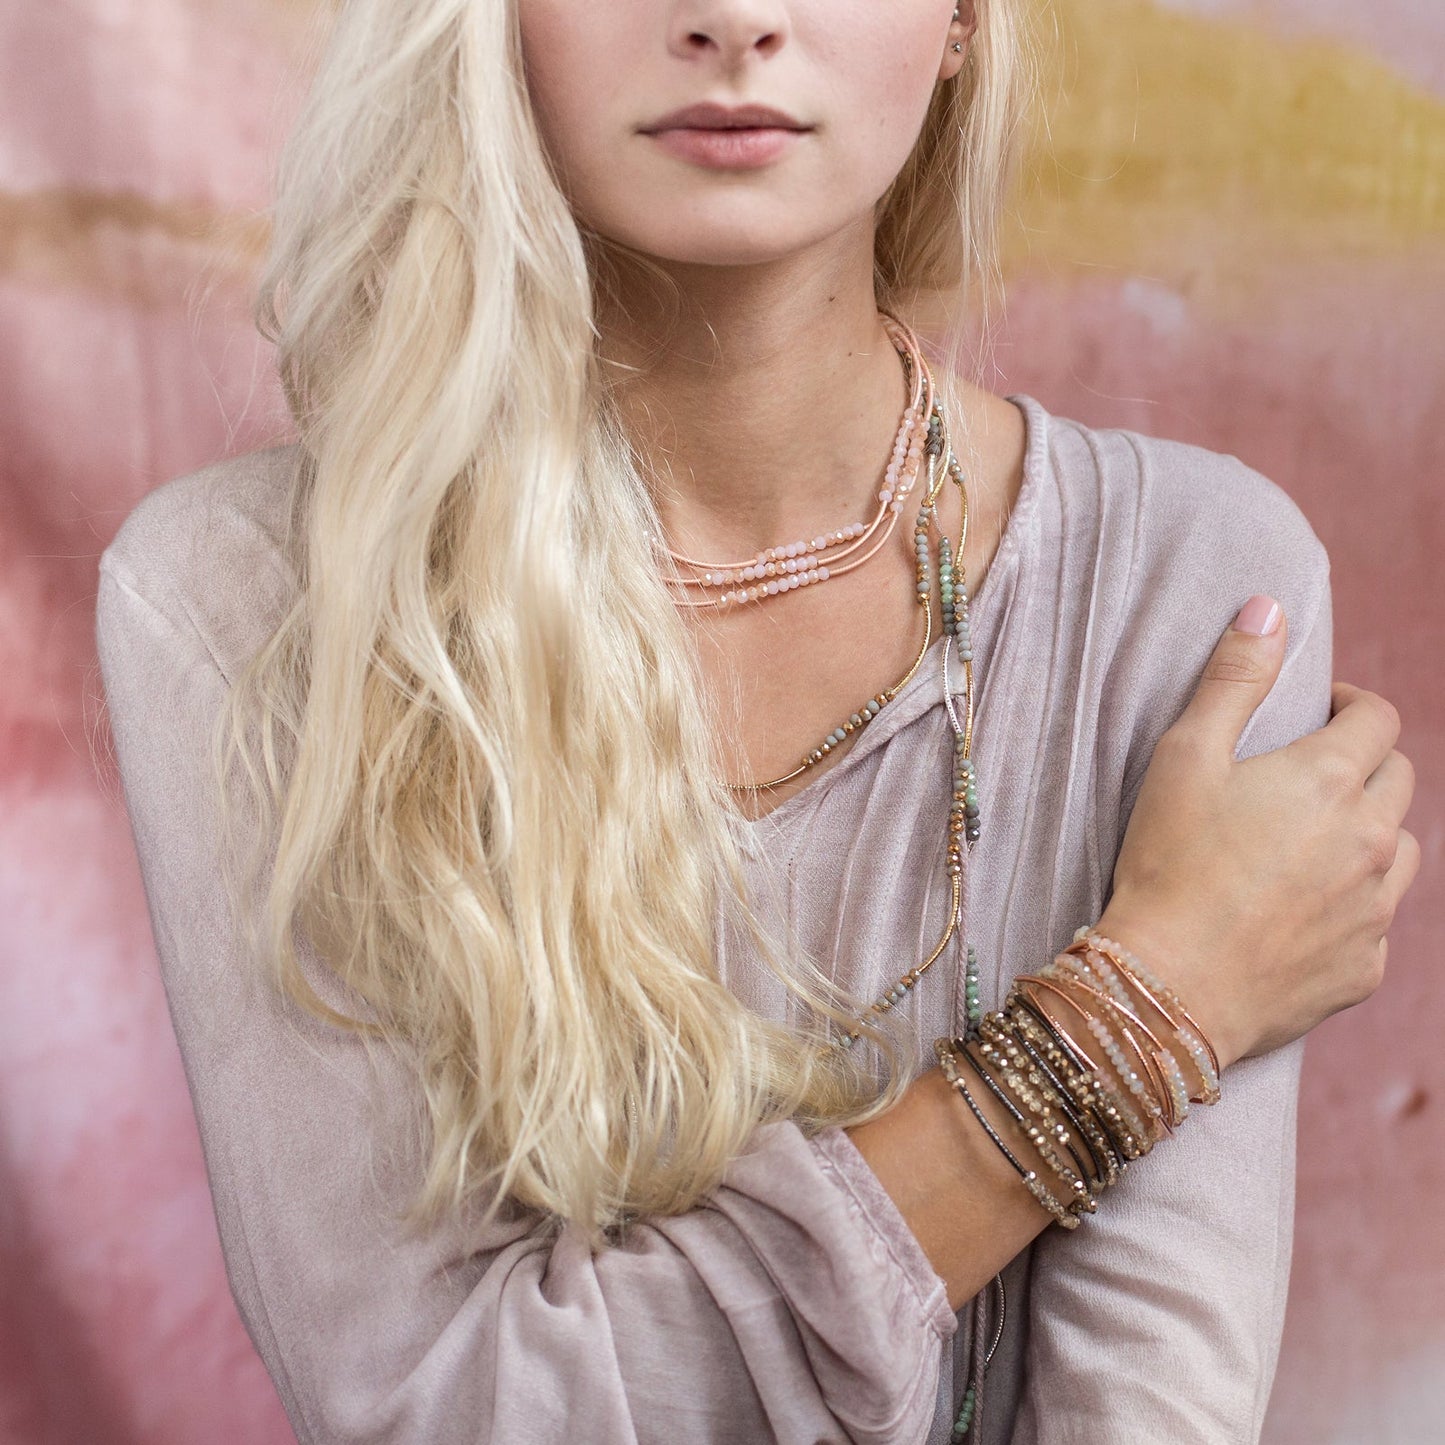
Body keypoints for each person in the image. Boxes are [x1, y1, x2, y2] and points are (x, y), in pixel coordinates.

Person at [94, 1, 1419, 1441]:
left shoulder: (1195, 581)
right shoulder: (247, 601)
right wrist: (1138, 1015)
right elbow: (451, 1414)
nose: (733, 18)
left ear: (961, 20)